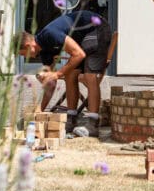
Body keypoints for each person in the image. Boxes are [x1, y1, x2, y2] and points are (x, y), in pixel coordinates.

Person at [19, 9, 112, 137]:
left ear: (29, 46)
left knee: (90, 76)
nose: (25, 57)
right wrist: (39, 111)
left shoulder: (49, 34)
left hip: (96, 28)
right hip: (81, 40)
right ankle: (71, 119)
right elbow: (51, 83)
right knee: (70, 74)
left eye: (22, 54)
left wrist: (56, 74)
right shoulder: (44, 52)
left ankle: (93, 125)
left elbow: (79, 54)